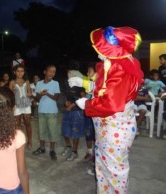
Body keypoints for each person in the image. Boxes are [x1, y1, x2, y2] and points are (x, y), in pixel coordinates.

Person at [76, 26, 144, 193]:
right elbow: (106, 87)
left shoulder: (120, 68)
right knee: (103, 169)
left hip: (115, 130)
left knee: (114, 173)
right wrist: (85, 83)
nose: (98, 50)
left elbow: (112, 103)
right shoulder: (117, 63)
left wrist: (87, 104)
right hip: (109, 130)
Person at [32, 64, 60, 161]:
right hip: (41, 111)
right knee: (42, 130)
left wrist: (47, 93)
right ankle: (42, 148)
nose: (52, 73)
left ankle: (52, 150)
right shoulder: (39, 84)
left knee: (52, 131)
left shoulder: (55, 83)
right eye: (50, 71)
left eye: (54, 71)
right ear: (45, 72)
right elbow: (37, 98)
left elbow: (57, 97)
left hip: (52, 112)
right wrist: (40, 94)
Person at [61, 76, 86, 161]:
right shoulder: (67, 83)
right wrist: (66, 102)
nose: (69, 74)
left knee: (75, 132)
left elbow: (83, 98)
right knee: (65, 131)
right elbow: (66, 95)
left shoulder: (80, 85)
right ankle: (68, 146)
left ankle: (74, 152)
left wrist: (72, 105)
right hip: (67, 111)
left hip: (76, 112)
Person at [9, 65, 32, 149]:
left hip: (26, 104)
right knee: (17, 124)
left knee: (28, 123)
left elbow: (29, 92)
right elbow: (9, 94)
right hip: (17, 104)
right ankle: (18, 141)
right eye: (18, 71)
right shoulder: (12, 82)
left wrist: (30, 94)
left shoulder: (27, 81)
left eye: (22, 71)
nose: (20, 73)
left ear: (24, 72)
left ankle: (29, 141)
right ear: (14, 72)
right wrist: (11, 91)